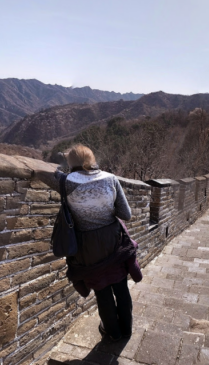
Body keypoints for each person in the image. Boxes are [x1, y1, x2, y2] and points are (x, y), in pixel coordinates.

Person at [35, 144, 142, 342]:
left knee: (101, 288)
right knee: (120, 285)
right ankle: (126, 330)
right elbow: (126, 214)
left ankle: (112, 332)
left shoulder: (65, 182)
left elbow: (41, 172)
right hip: (113, 241)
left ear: (71, 163)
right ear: (92, 160)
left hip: (86, 246)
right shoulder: (110, 179)